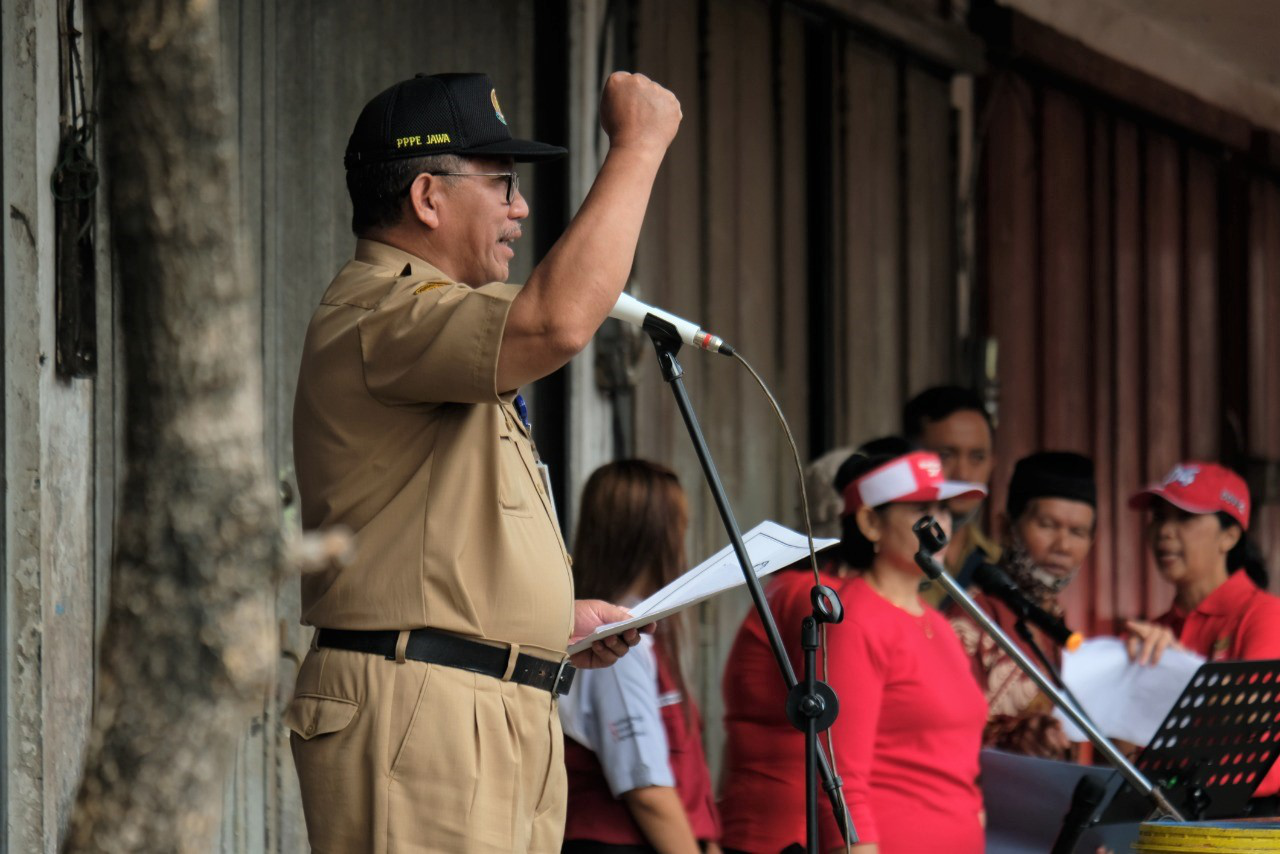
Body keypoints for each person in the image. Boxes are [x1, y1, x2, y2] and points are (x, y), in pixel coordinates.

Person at [287, 71, 682, 853]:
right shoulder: (380, 311)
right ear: (428, 198)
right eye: (502, 184)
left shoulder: (433, 327)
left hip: (488, 701)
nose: (520, 209)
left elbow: (434, 543)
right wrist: (638, 146)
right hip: (424, 710)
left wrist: (547, 624)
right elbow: (559, 321)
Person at [719, 440, 989, 853]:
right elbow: (842, 778)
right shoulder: (853, 618)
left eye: (946, 511)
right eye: (921, 510)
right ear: (869, 522)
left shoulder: (939, 623)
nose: (940, 526)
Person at [558, 460, 721, 854]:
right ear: (655, 538)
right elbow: (646, 789)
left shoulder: (636, 633)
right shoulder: (616, 643)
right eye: (679, 529)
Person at [1124, 461, 1280, 803]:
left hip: (1255, 821)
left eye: (1185, 517)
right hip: (1170, 810)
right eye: (1160, 517)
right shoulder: (1159, 630)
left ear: (1229, 535)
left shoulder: (1265, 615)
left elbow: (1255, 720)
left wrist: (1177, 669)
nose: (1165, 531)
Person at [950, 451, 1097, 758]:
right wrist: (1014, 738)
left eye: (1078, 532)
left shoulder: (1060, 628)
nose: (1063, 546)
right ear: (1006, 528)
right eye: (1047, 525)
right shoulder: (970, 620)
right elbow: (947, 736)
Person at [903, 386, 999, 605]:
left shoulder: (998, 562)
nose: (963, 474)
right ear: (910, 457)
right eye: (945, 456)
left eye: (977, 457)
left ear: (993, 464)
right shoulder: (889, 563)